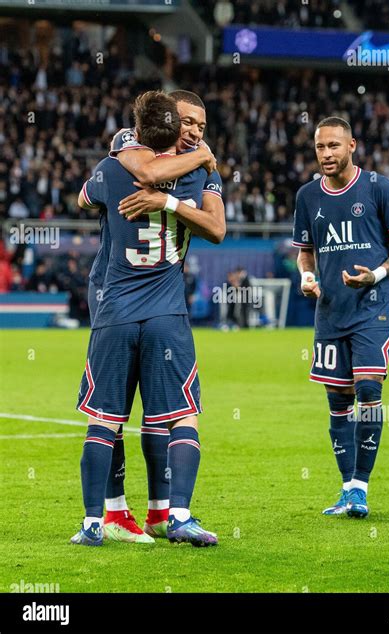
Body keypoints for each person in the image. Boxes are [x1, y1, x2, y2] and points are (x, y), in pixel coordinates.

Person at [71, 90, 224, 548]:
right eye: (187, 121)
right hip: (161, 310)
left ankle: (98, 520)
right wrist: (181, 190)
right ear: (170, 121)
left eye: (202, 124)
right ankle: (167, 514)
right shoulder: (197, 174)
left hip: (117, 309)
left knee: (107, 417)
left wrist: (161, 198)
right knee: (181, 414)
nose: (195, 131)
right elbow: (211, 225)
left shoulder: (112, 166)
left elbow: (84, 199)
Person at [293, 116, 389, 518]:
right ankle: (346, 489)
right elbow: (305, 251)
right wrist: (308, 277)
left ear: (352, 146)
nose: (326, 154)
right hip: (329, 313)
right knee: (337, 401)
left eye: (333, 146)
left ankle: (361, 487)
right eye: (319, 147)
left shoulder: (379, 187)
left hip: (372, 309)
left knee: (368, 391)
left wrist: (378, 274)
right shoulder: (307, 196)